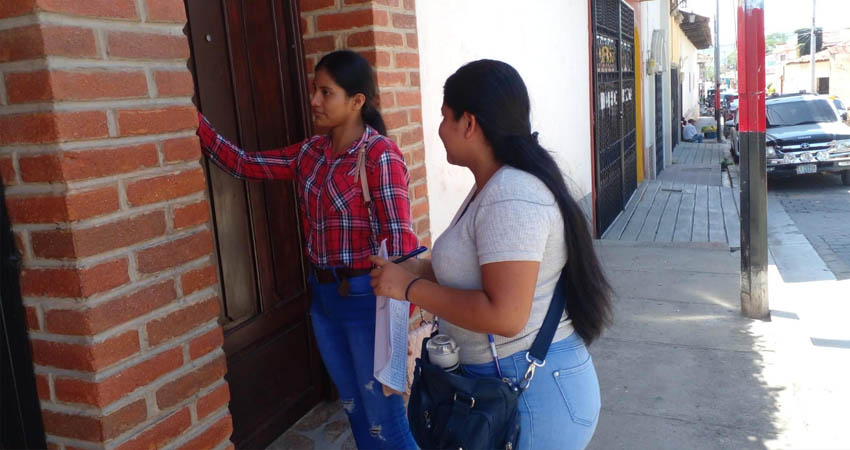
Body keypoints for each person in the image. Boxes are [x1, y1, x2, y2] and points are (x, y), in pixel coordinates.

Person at [369, 59, 613, 450]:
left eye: (445, 117)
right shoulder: (493, 186)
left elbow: (505, 315)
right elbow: (478, 272)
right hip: (502, 385)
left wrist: (410, 287)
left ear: (469, 123)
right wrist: (417, 269)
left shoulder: (512, 194)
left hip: (531, 397)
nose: (439, 130)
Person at [196, 50, 418, 450]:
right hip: (326, 302)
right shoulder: (309, 153)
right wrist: (193, 122)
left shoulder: (380, 156)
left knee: (386, 420)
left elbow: (401, 247)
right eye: (315, 90)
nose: (314, 100)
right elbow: (245, 164)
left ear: (356, 101)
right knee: (355, 411)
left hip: (370, 304)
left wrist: (398, 328)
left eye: (326, 92)